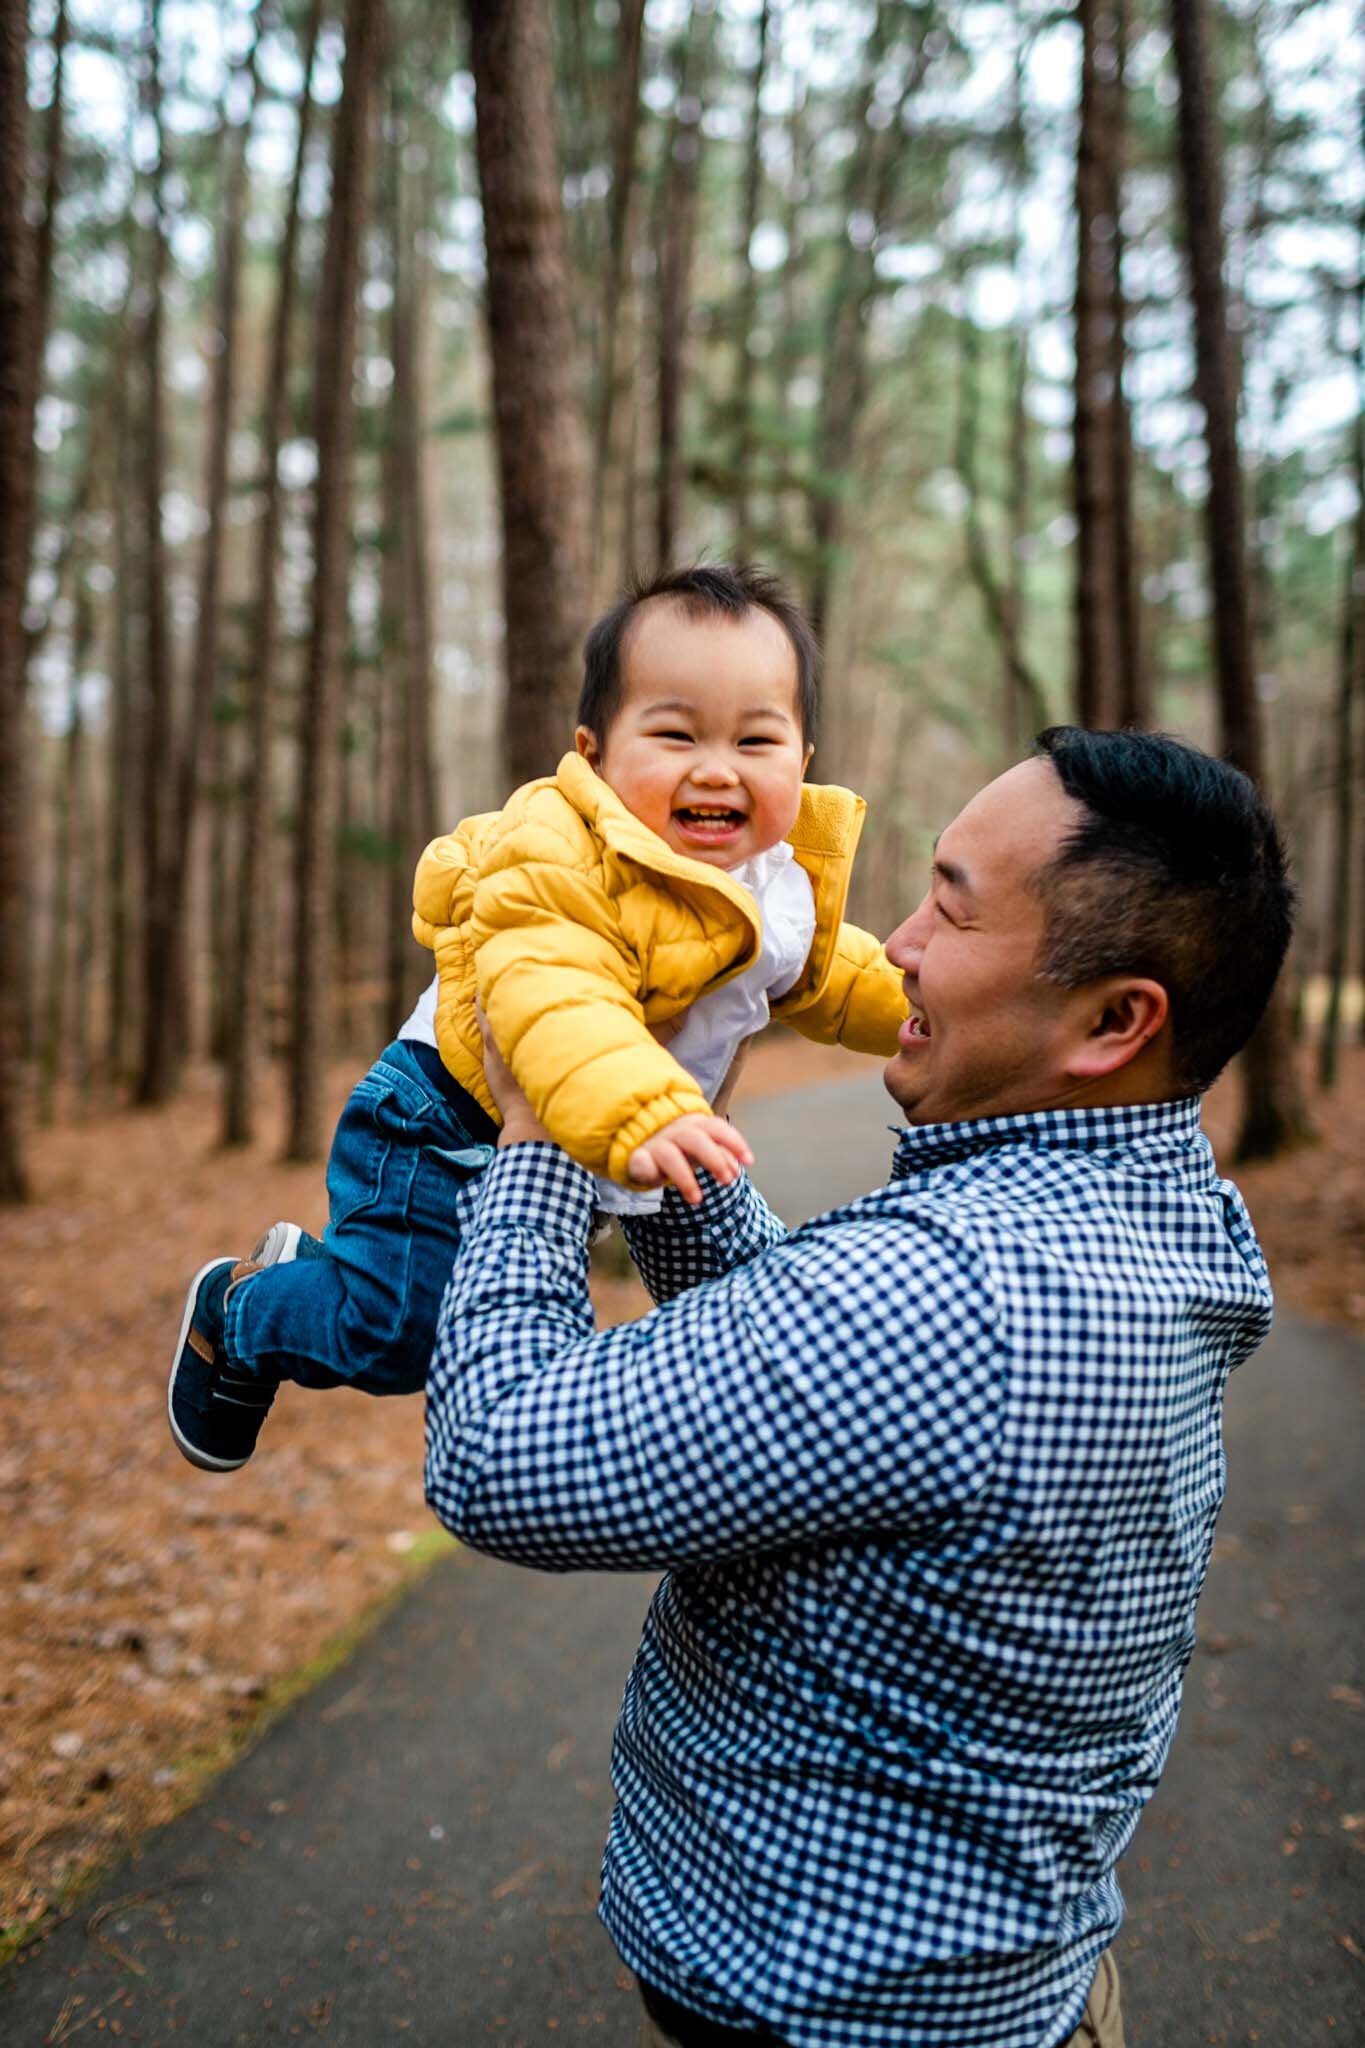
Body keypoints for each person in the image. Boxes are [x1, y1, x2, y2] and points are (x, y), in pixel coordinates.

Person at [423, 725, 1293, 2048]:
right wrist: (668, 1142)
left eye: (948, 906)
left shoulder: (955, 1295)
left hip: (836, 2012)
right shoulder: (1146, 1214)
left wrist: (543, 1134)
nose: (892, 943)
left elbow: (496, 1456)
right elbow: (833, 1383)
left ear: (1115, 1021)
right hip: (997, 1985)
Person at [166, 564, 906, 1475]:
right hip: (444, 1118)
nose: (716, 767)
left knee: (713, 1300)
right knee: (400, 1336)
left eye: (756, 741)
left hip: (613, 1124)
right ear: (593, 753)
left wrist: (934, 1014)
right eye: (674, 734)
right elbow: (554, 992)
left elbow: (840, 978)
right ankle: (237, 1314)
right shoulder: (557, 849)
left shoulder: (772, 887)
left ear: (802, 763)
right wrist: (643, 1108)